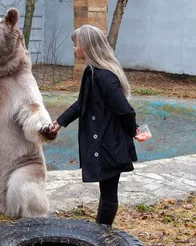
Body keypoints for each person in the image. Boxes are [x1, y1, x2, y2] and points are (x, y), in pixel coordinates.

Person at [51, 24, 147, 226]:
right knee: (107, 191)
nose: (75, 48)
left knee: (109, 193)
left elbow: (125, 110)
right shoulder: (93, 72)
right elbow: (82, 103)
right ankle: (101, 230)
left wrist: (133, 131)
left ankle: (103, 233)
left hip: (110, 144)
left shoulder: (103, 76)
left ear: (86, 46)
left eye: (76, 44)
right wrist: (60, 121)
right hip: (107, 142)